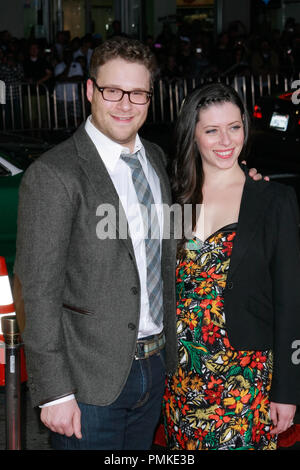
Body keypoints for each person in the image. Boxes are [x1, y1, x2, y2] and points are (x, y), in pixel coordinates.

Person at [14, 38, 262, 451]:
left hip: (156, 369)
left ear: (150, 97)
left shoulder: (154, 159)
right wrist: (53, 391)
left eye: (138, 93)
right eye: (113, 90)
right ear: (90, 90)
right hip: (89, 382)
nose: (125, 104)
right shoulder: (55, 174)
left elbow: (174, 242)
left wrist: (242, 191)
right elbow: (36, 291)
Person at [162, 83, 300, 450]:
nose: (226, 140)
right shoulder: (173, 196)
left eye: (234, 127)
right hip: (180, 379)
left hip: (245, 379)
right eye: (212, 130)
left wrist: (287, 390)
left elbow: (290, 301)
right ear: (192, 134)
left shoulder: (273, 201)